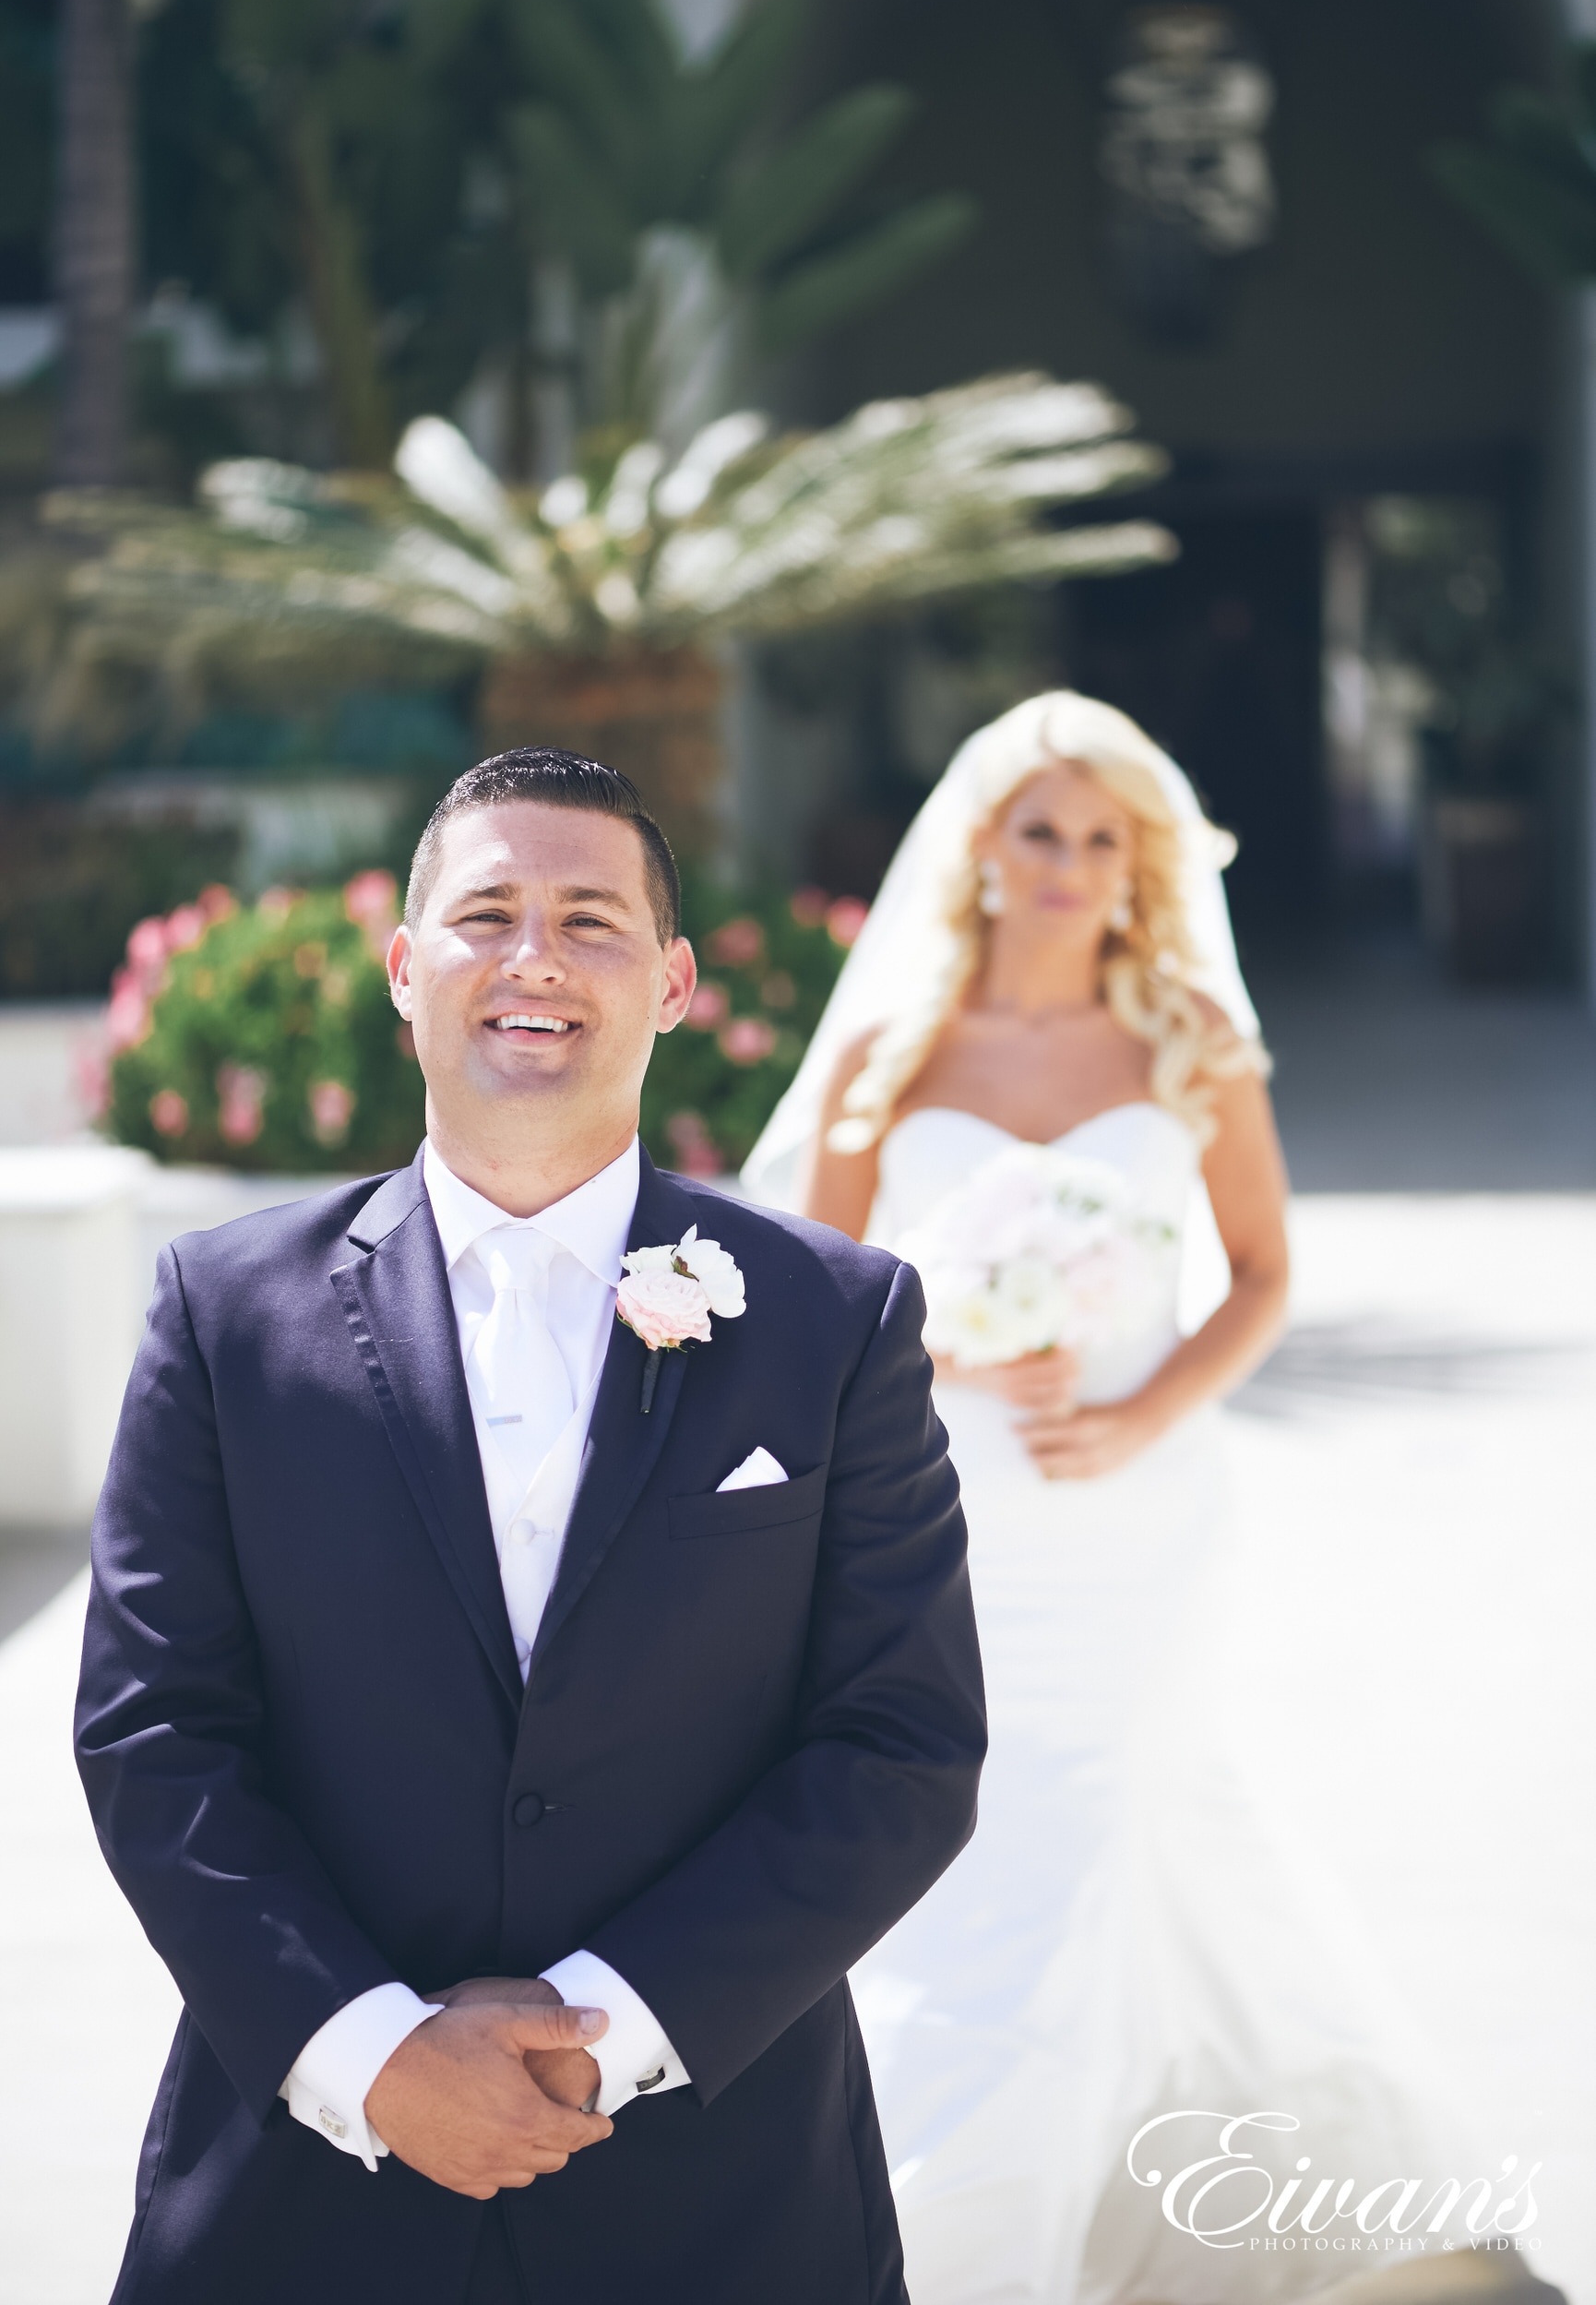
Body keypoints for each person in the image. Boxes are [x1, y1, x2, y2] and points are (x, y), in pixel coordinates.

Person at [76, 747, 986, 2305]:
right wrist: (376, 2057)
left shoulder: (837, 1321)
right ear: (403, 968)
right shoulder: (224, 1315)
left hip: (722, 2193)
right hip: (304, 2188)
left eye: (591, 920)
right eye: (485, 913)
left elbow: (899, 1745)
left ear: (676, 981)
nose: (534, 959)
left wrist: (601, 2031)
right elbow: (158, 1736)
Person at [744, 692, 1464, 2305]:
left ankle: (1005, 2231)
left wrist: (1142, 1407)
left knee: (1098, 1822)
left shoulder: (1186, 1043)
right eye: (1037, 830)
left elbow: (1264, 1275)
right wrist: (943, 1360)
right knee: (989, 1850)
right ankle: (989, 2204)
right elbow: (824, 1307)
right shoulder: (890, 1049)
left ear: (1137, 867)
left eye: (1098, 838)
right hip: (943, 1516)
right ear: (979, 848)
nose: (1066, 864)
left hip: (1139, 1513)